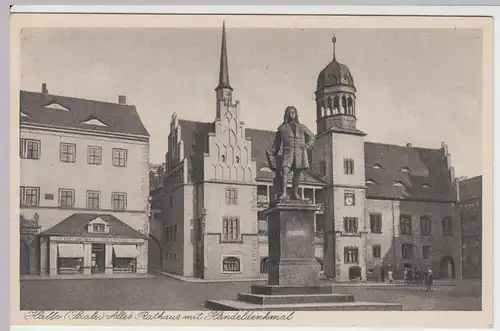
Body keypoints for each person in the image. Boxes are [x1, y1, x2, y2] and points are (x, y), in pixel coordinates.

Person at [266, 106, 316, 202]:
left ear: (296, 114)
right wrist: (271, 154)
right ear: (286, 114)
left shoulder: (302, 127)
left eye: (294, 112)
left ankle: (295, 193)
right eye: (290, 112)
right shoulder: (282, 128)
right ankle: (284, 193)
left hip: (300, 153)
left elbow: (312, 137)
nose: (292, 114)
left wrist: (307, 146)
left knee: (297, 173)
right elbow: (276, 144)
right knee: (285, 171)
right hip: (287, 153)